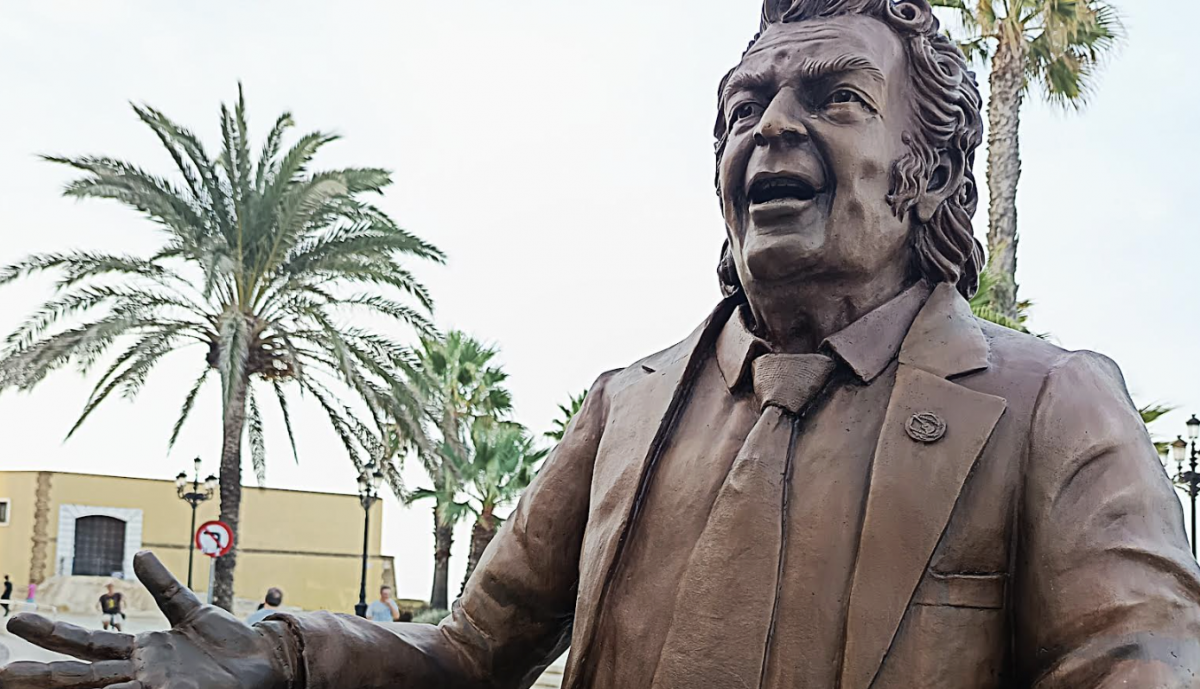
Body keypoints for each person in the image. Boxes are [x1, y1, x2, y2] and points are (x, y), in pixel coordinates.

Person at [6, 0, 1200, 686]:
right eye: (745, 111)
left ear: (928, 171)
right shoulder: (626, 408)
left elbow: (1137, 665)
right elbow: (475, 652)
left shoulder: (1052, 407)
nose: (771, 128)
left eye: (833, 97)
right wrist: (288, 651)